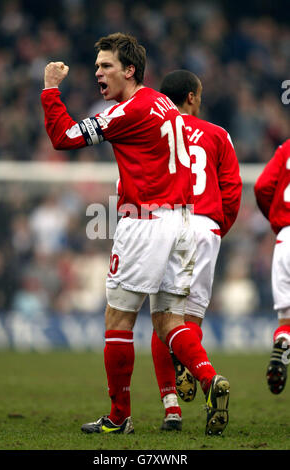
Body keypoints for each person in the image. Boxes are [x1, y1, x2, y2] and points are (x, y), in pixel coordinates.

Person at [41, 32, 230, 436]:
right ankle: (209, 378)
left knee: (119, 319)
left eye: (106, 66)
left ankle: (119, 416)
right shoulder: (163, 103)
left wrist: (50, 91)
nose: (98, 74)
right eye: (96, 67)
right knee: (167, 322)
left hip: (145, 224)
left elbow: (64, 137)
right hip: (182, 222)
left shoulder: (129, 111)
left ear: (130, 70)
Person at [147, 70, 242, 431]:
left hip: (166, 223)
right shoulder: (218, 134)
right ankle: (197, 377)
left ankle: (172, 408)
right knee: (190, 322)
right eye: (199, 94)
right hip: (205, 226)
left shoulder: (152, 131)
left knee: (162, 322)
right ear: (191, 96)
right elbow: (231, 189)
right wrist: (217, 228)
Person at [254, 140, 290, 395]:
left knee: (286, 321)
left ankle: (283, 344)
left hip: (284, 239)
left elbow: (262, 185)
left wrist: (278, 217)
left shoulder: (286, 148)